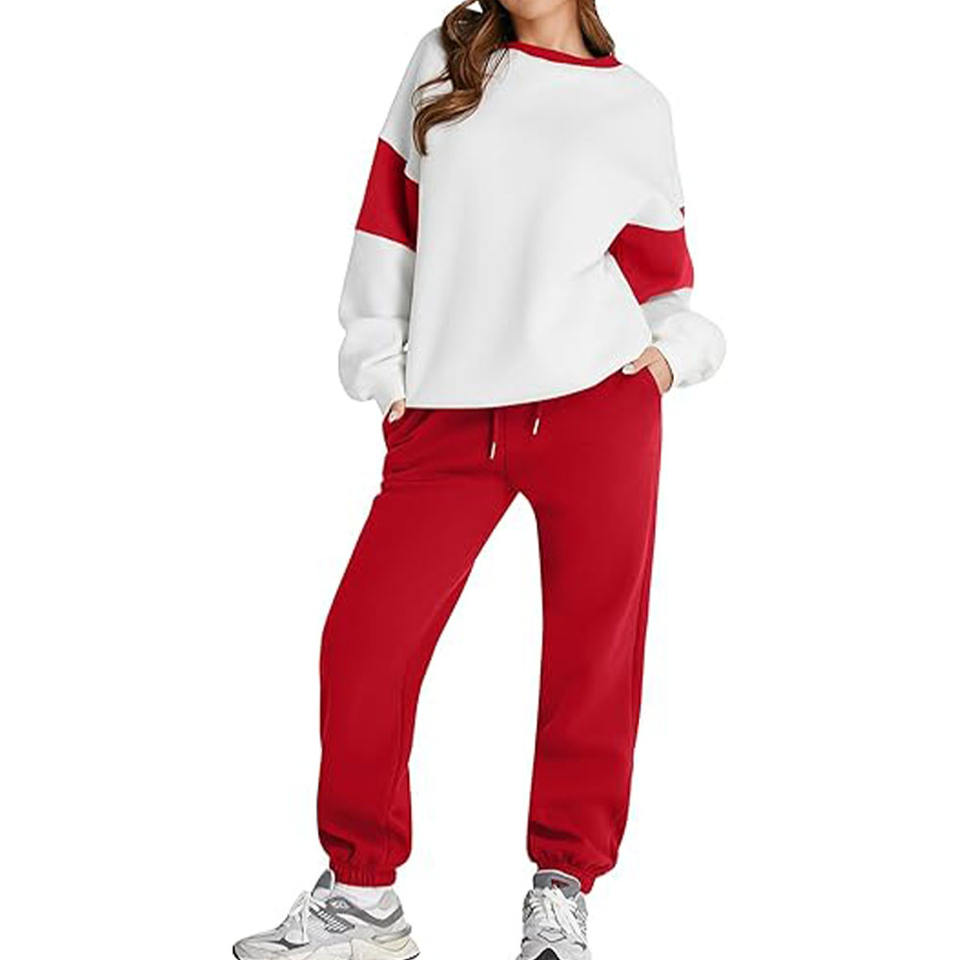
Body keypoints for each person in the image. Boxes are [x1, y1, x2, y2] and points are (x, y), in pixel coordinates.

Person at [233, 2, 724, 958]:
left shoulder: (636, 106)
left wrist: (673, 357)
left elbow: (661, 280)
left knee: (593, 652)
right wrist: (384, 374)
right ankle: (363, 901)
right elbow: (388, 223)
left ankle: (561, 891)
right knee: (364, 640)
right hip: (449, 416)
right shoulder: (444, 59)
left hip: (596, 405)